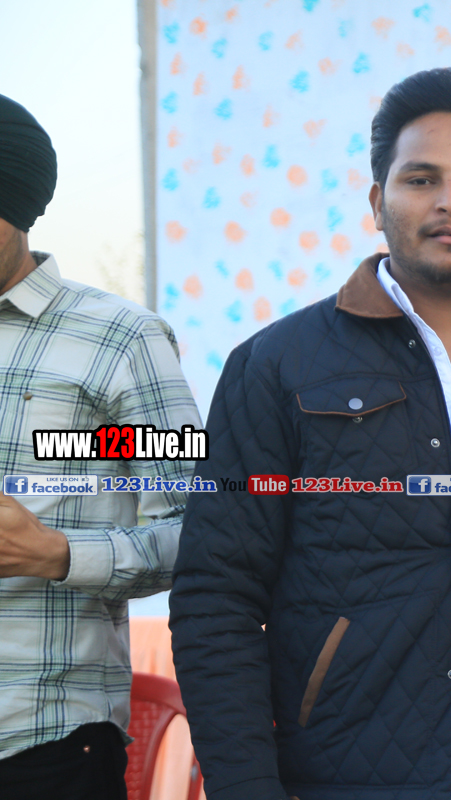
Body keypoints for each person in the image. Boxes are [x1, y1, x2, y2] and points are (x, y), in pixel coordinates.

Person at [170, 69, 451, 800]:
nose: (450, 202)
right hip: (341, 779)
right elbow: (217, 596)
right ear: (377, 202)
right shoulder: (277, 366)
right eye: (421, 179)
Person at [0, 95, 202, 800]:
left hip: (42, 746)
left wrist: (56, 554)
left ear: (17, 206)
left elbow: (200, 526)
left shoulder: (121, 339)